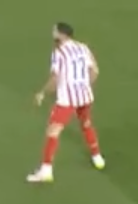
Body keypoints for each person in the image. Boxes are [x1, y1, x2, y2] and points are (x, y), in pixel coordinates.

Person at [26, 22, 103, 183]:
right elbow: (95, 70)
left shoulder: (59, 52)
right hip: (85, 96)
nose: (52, 33)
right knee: (86, 124)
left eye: (55, 31)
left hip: (67, 99)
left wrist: (42, 93)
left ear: (62, 35)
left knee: (53, 131)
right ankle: (97, 157)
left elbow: (56, 78)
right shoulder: (83, 48)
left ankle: (46, 170)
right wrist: (85, 86)